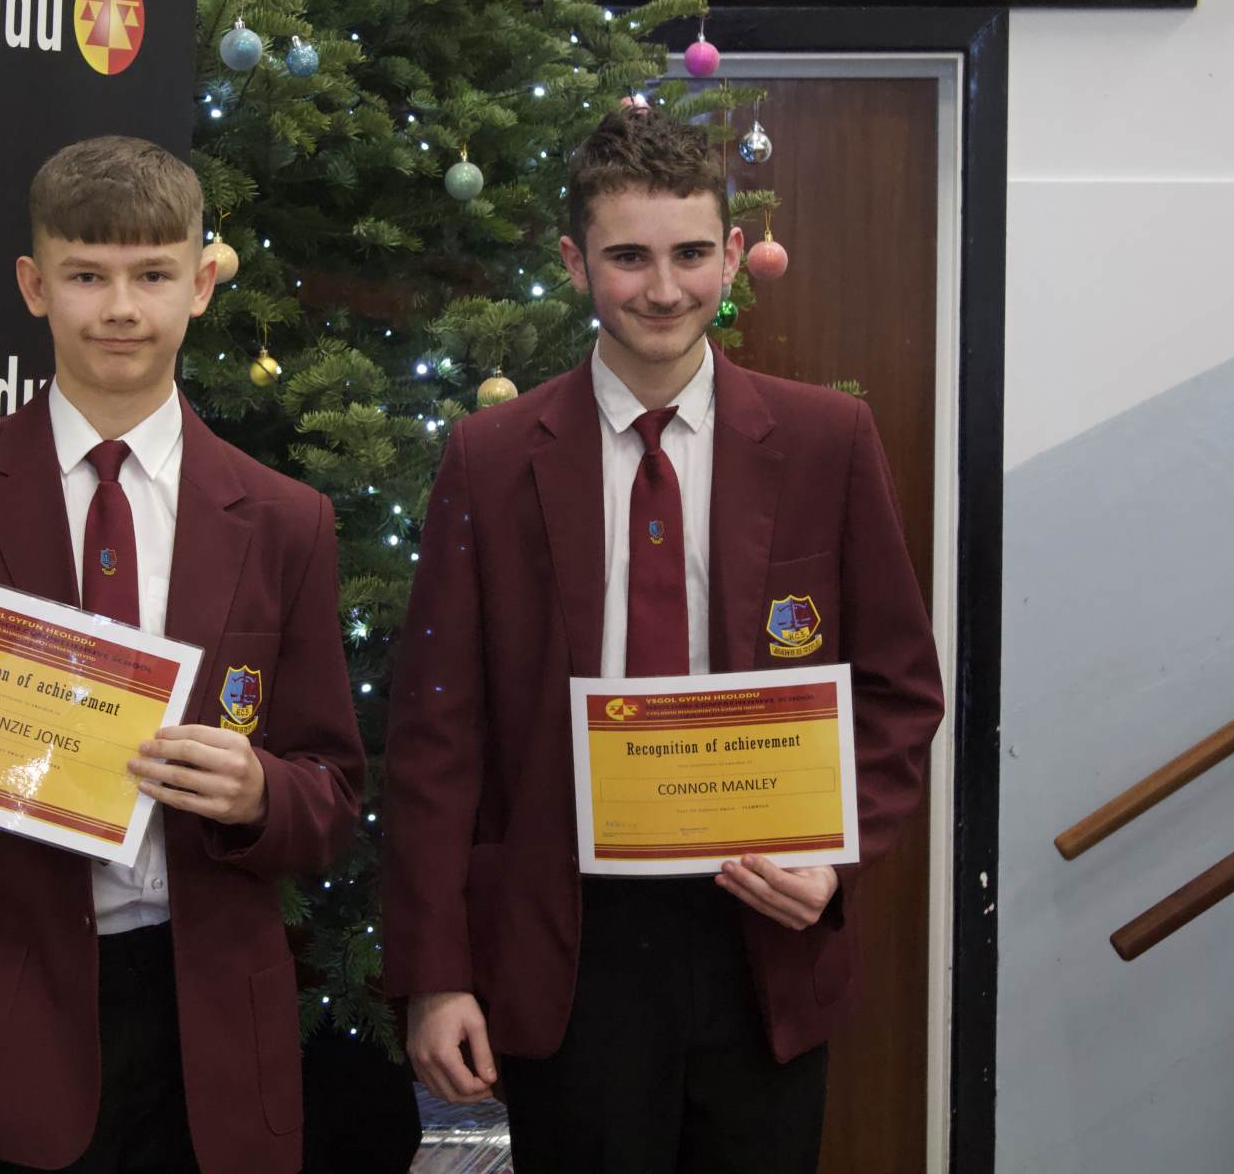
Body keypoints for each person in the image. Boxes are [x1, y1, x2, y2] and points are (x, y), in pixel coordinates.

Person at [381, 108, 944, 1173]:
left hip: (762, 935)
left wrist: (832, 856)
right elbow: (436, 736)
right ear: (574, 261)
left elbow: (900, 689)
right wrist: (436, 973)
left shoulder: (827, 440)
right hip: (569, 944)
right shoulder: (490, 458)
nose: (663, 288)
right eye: (628, 257)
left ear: (730, 255)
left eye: (689, 254)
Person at [0, 136, 365, 1174]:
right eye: (86, 276)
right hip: (1, 1039)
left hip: (211, 1038)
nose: (121, 309)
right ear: (35, 286)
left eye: (153, 275)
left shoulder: (285, 519)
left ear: (201, 284)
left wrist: (261, 791)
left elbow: (333, 790)